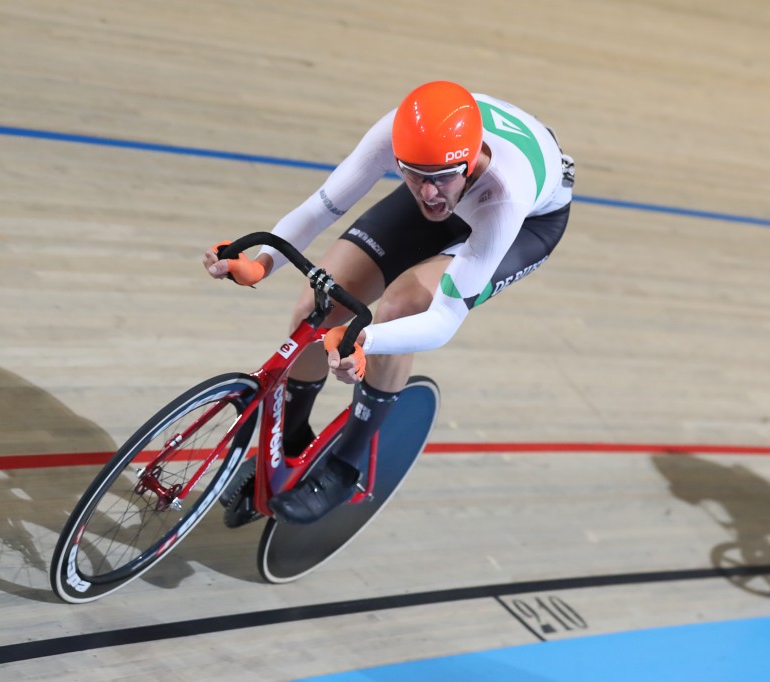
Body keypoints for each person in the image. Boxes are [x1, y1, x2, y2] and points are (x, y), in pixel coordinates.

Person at [204, 81, 575, 524]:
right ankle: (292, 440)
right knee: (317, 305)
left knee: (404, 302)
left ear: (471, 159)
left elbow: (443, 320)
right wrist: (263, 264)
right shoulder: (405, 141)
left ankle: (345, 467)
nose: (430, 194)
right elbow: (320, 208)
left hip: (528, 220)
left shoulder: (507, 191)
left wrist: (365, 341)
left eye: (439, 179)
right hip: (451, 171)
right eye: (413, 175)